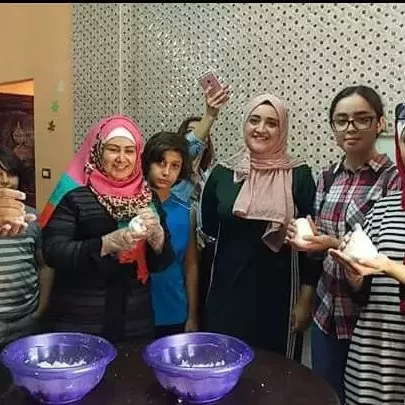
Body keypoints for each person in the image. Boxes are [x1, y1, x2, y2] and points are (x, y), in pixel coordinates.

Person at [285, 85, 401, 403]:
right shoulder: (327, 177)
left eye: (362, 119)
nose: (351, 128)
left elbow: (387, 251)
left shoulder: (394, 179)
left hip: (370, 320)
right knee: (326, 395)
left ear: (380, 124)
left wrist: (330, 243)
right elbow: (315, 253)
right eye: (342, 120)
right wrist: (306, 241)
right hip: (326, 312)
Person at [200, 93, 317, 359]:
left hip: (279, 296)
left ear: (282, 129)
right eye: (254, 120)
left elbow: (312, 245)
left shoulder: (298, 174)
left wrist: (306, 297)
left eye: (271, 123)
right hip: (225, 293)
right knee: (224, 365)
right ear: (244, 123)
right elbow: (209, 234)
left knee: (276, 372)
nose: (261, 129)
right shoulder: (222, 173)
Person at [39, 115, 174, 342]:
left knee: (133, 366)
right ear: (98, 151)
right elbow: (52, 251)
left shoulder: (147, 198)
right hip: (80, 319)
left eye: (129, 151)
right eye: (113, 149)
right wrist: (105, 244)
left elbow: (161, 264)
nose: (121, 158)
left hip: (134, 320)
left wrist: (159, 240)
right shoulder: (74, 195)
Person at [328, 103, 405, 404]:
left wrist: (390, 267)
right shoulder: (385, 208)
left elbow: (386, 267)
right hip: (374, 361)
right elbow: (364, 293)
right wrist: (356, 276)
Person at [143, 131, 199, 337]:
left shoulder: (186, 210)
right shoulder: (130, 204)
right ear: (148, 163)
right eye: (161, 163)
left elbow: (190, 265)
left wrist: (192, 315)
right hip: (135, 309)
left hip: (174, 310)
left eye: (175, 166)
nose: (166, 172)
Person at [0, 147, 53, 345]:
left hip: (25, 323)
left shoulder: (32, 218)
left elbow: (44, 266)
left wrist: (39, 310)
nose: (6, 181)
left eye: (11, 174)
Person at [173, 85, 230, 204]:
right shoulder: (173, 171)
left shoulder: (208, 177)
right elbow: (190, 145)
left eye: (203, 133)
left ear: (207, 143)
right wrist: (210, 115)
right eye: (190, 132)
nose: (199, 135)